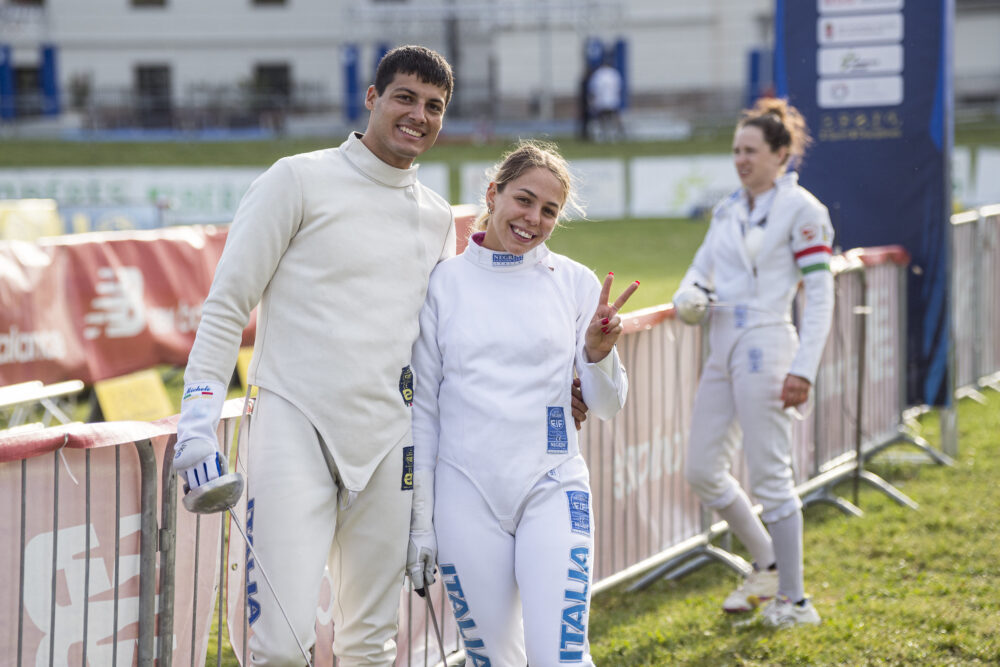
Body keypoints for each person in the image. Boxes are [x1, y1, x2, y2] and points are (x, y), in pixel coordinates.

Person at [170, 46, 459, 665]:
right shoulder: (295, 178)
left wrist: (427, 511)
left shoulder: (438, 219)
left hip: (389, 443)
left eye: (434, 106)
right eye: (405, 97)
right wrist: (196, 421)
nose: (419, 115)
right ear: (372, 98)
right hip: (293, 423)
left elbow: (436, 358)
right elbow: (227, 305)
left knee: (371, 644)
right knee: (277, 646)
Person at [407, 140, 638, 665]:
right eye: (524, 200)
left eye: (549, 210)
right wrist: (421, 523)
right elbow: (423, 411)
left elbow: (606, 406)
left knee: (560, 657)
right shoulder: (443, 285)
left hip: (552, 487)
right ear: (494, 194)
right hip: (464, 498)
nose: (533, 218)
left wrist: (599, 355)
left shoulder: (576, 283)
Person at [672, 98, 834, 627]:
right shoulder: (727, 209)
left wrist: (804, 367)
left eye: (751, 150)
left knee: (770, 476)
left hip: (768, 341)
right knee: (701, 468)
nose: (740, 160)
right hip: (723, 344)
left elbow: (821, 294)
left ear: (781, 154)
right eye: (736, 150)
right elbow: (699, 271)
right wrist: (689, 296)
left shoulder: (803, 210)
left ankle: (796, 601)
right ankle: (766, 562)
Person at [587, 60, 624, 142]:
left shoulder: (598, 74)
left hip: (601, 100)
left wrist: (592, 101)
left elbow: (593, 89)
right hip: (612, 100)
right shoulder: (614, 73)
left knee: (602, 119)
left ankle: (603, 135)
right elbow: (619, 87)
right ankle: (616, 135)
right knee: (613, 117)